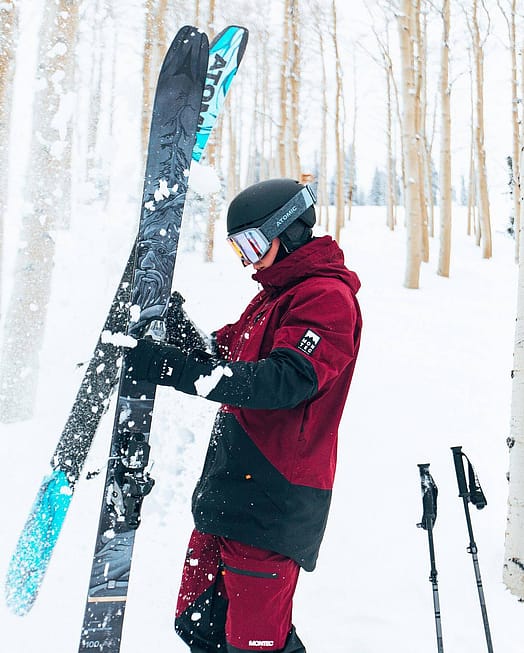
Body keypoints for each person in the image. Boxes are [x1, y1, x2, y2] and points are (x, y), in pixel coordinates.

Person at [127, 178, 362, 652]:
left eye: (254, 243)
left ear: (289, 231)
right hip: (230, 494)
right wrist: (174, 324)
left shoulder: (326, 300)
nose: (248, 259)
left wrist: (175, 369)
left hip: (272, 502)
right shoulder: (273, 296)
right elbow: (226, 354)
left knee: (255, 646)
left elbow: (282, 381)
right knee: (199, 624)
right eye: (240, 247)